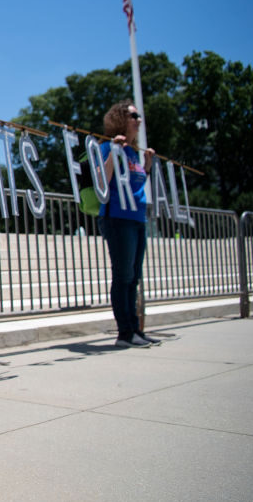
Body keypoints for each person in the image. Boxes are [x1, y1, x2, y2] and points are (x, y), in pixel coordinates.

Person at [98, 100, 160, 348]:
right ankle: (124, 332)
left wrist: (146, 166)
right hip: (117, 218)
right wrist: (113, 152)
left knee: (134, 276)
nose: (138, 119)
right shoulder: (107, 146)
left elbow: (135, 184)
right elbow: (104, 179)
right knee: (123, 275)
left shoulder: (134, 152)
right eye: (133, 115)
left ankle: (135, 329)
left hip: (137, 217)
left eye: (138, 115)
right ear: (121, 118)